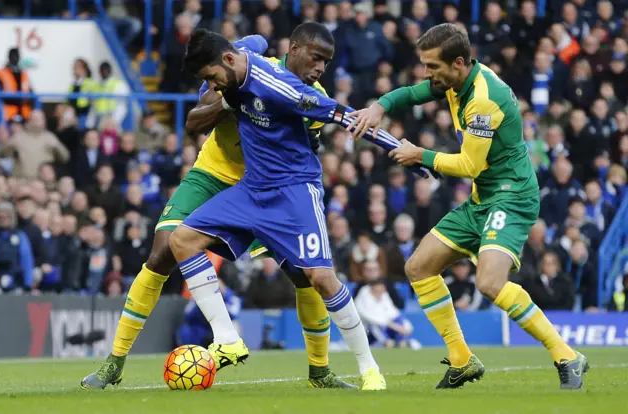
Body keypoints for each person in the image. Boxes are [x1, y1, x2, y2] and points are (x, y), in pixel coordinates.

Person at [83, 26, 361, 390]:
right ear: (293, 51)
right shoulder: (238, 70)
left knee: (304, 274)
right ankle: (114, 363)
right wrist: (229, 97)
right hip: (212, 173)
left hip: (268, 187)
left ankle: (320, 371)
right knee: (162, 251)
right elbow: (193, 122)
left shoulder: (313, 97)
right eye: (315, 59)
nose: (319, 68)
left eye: (325, 62)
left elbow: (306, 152)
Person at [347, 23, 588, 389]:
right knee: (419, 267)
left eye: (432, 67)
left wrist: (420, 155)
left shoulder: (482, 98)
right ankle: (462, 359)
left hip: (512, 196)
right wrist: (379, 107)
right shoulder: (456, 81)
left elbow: (469, 165)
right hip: (483, 198)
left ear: (458, 62)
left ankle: (566, 354)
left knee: (490, 282)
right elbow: (412, 94)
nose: (427, 74)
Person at [166, 25, 405, 391]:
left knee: (321, 279)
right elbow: (253, 44)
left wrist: (398, 148)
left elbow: (343, 116)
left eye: (213, 78)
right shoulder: (236, 69)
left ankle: (369, 368)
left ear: (228, 61)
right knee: (181, 241)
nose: (212, 87)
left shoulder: (278, 86)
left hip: (294, 193)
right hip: (251, 191)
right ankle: (227, 339)